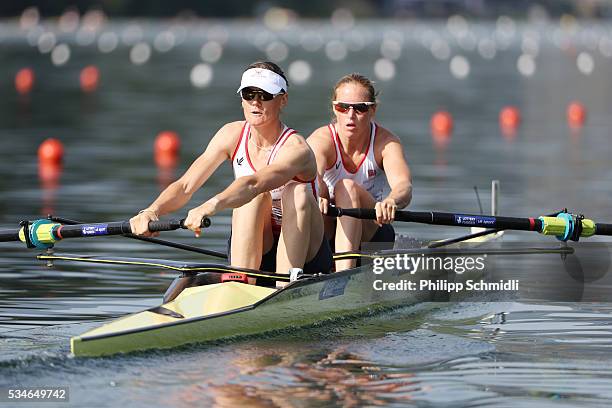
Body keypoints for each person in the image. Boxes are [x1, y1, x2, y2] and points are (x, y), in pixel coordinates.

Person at [130, 61, 332, 282]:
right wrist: (151, 211)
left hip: (307, 254)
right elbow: (186, 185)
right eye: (248, 94)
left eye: (265, 95)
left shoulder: (297, 148)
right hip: (258, 245)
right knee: (252, 200)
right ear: (242, 99)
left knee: (296, 191)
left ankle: (285, 287)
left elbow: (254, 183)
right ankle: (241, 283)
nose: (256, 102)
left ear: (283, 100)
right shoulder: (231, 134)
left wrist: (209, 206)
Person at [307, 73, 412, 271]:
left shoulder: (386, 142)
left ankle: (343, 275)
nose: (350, 115)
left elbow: (403, 186)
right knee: (316, 191)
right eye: (343, 107)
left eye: (360, 108)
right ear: (334, 108)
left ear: (373, 110)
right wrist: (314, 193)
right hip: (329, 232)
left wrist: (391, 201)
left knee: (345, 187)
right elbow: (312, 176)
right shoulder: (321, 140)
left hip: (373, 237)